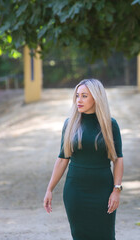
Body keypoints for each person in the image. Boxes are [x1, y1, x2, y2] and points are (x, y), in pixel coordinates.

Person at [43, 79, 124, 240]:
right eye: (77, 96)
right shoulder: (70, 124)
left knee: (106, 235)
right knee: (80, 235)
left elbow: (118, 160)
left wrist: (116, 190)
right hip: (75, 191)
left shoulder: (110, 124)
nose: (78, 100)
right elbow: (62, 159)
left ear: (96, 98)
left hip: (103, 190)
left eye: (84, 96)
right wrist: (49, 189)